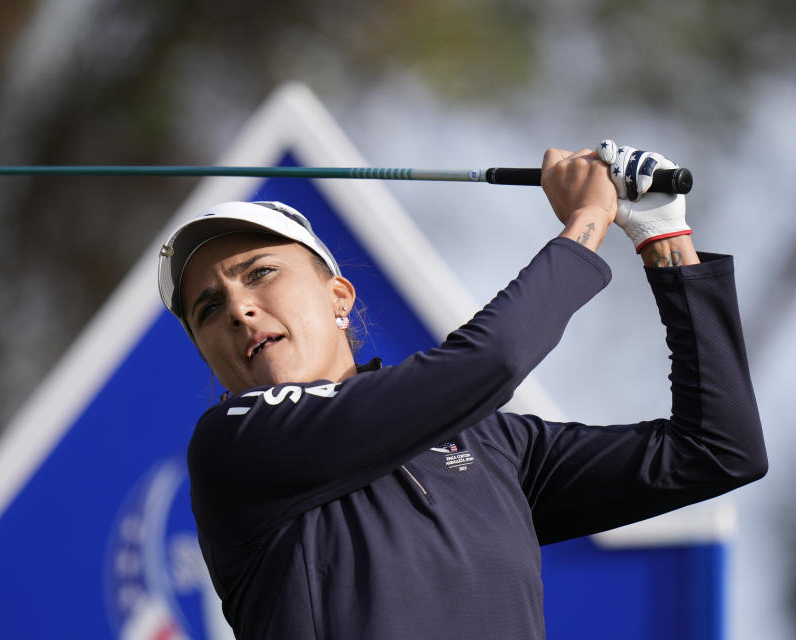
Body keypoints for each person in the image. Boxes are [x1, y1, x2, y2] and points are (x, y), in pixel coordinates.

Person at [156, 141, 767, 639]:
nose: (239, 310)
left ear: (339, 297)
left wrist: (666, 240)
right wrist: (588, 221)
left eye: (260, 273)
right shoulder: (236, 444)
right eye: (209, 309)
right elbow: (490, 360)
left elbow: (717, 449)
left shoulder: (491, 440)